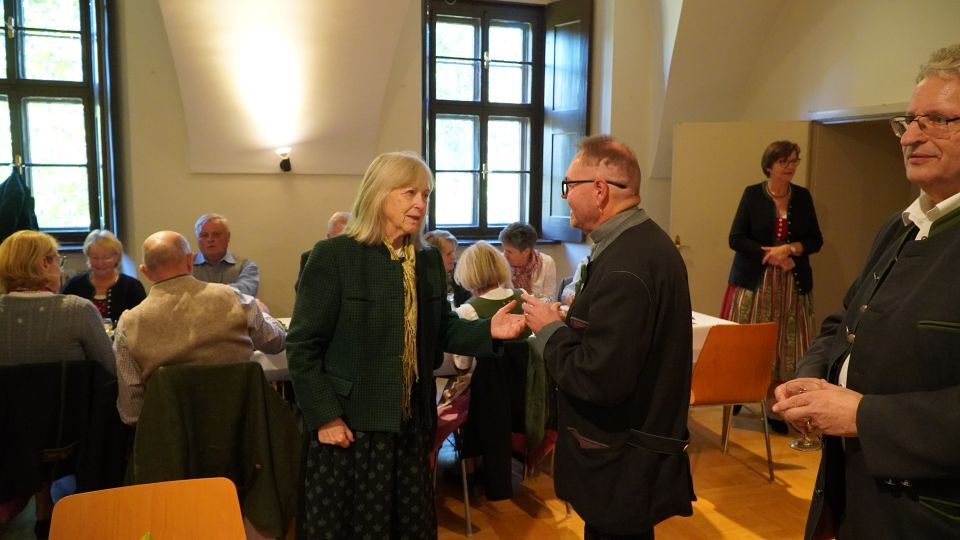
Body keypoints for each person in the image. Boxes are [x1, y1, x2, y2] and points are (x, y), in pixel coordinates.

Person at [773, 44, 960, 540]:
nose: (911, 136)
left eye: (937, 120)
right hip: (853, 499)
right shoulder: (899, 227)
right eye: (909, 122)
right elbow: (845, 321)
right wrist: (811, 378)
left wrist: (861, 415)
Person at [287, 151, 525, 539]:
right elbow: (302, 346)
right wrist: (325, 416)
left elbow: (442, 328)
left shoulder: (426, 260)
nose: (420, 203)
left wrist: (488, 332)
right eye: (409, 192)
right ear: (378, 194)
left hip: (411, 424)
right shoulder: (333, 256)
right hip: (351, 427)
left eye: (426, 194)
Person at [522, 135, 694, 539]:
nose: (564, 197)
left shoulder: (627, 263)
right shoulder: (637, 244)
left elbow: (600, 378)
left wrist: (549, 330)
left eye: (568, 185)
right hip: (628, 454)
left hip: (622, 459)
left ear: (599, 190)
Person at [0, 230, 115, 535]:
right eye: (57, 260)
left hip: (8, 440)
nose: (60, 268)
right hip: (68, 440)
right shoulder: (77, 311)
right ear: (44, 264)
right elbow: (110, 373)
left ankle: (40, 508)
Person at [114, 231, 285, 425]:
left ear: (145, 272)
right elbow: (275, 342)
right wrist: (265, 314)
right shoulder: (235, 299)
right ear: (190, 261)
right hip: (243, 428)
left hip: (171, 435)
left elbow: (131, 410)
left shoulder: (128, 324)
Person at [722, 140, 823, 432]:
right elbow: (736, 238)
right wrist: (772, 255)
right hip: (756, 284)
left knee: (786, 346)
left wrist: (789, 249)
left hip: (791, 285)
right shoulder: (752, 195)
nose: (790, 167)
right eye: (783, 162)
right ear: (769, 166)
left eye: (794, 161)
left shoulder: (802, 197)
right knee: (750, 341)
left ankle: (776, 407)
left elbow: (815, 240)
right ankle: (739, 393)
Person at [452, 241, 529, 500]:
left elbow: (462, 364)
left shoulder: (468, 311)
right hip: (525, 396)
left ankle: (468, 468)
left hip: (488, 402)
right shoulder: (523, 297)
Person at [62, 229, 146, 325]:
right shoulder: (74, 285)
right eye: (95, 257)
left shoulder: (132, 287)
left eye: (106, 258)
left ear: (117, 257)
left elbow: (142, 322)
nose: (100, 263)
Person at [192, 213, 260, 296]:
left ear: (228, 237)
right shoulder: (186, 266)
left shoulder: (245, 266)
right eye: (204, 235)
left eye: (216, 234)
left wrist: (198, 291)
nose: (210, 239)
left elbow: (246, 294)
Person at [499, 222, 557, 300]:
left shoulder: (546, 263)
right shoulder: (499, 262)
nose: (505, 255)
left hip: (536, 307)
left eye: (509, 252)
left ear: (526, 252)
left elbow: (549, 298)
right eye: (504, 249)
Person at [295, 211, 350, 292]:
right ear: (328, 237)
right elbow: (301, 291)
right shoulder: (310, 258)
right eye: (337, 240)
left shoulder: (361, 261)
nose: (341, 245)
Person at [424, 228, 470, 306]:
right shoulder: (425, 280)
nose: (454, 257)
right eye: (449, 254)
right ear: (433, 257)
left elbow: (467, 302)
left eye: (453, 252)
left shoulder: (459, 272)